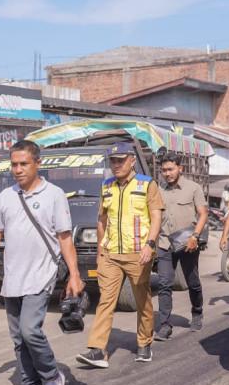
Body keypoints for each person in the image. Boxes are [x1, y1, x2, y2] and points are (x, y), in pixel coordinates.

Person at [0, 140, 83, 385]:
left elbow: (65, 238)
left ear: (37, 163)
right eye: (14, 165)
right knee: (18, 338)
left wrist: (75, 275)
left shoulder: (54, 194)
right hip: (12, 279)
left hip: (41, 276)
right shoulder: (7, 196)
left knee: (30, 331)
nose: (18, 170)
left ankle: (52, 377)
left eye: (23, 164)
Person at [76, 142, 163, 367]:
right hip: (111, 253)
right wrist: (100, 251)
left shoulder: (147, 185)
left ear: (132, 160)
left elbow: (156, 217)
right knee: (105, 300)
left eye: (120, 160)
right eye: (112, 161)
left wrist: (150, 245)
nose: (115, 165)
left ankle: (144, 342)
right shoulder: (106, 186)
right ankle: (97, 350)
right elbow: (101, 221)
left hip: (138, 253)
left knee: (142, 299)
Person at [154, 152, 209, 341]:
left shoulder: (193, 188)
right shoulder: (157, 190)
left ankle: (197, 311)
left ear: (180, 169)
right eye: (163, 170)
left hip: (187, 243)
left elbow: (203, 214)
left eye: (170, 169)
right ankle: (164, 325)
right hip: (164, 243)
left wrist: (195, 236)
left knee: (192, 282)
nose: (167, 174)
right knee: (164, 284)